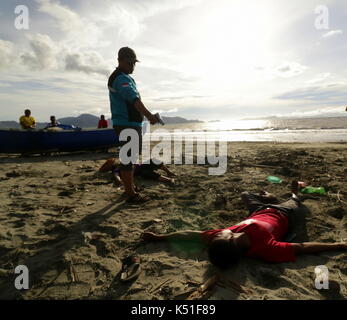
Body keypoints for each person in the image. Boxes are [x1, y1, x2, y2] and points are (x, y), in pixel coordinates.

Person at [142, 181, 347, 269]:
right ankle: (295, 191)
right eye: (225, 234)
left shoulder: (220, 237)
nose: (222, 231)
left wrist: (160, 238)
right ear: (232, 241)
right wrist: (338, 246)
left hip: (257, 211)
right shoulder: (265, 248)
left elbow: (189, 234)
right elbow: (302, 248)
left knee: (245, 194)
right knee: (295, 201)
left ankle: (268, 196)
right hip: (284, 214)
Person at [108, 47, 158, 203]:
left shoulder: (122, 77)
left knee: (129, 157)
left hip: (129, 123)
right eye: (129, 62)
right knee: (128, 158)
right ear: (119, 61)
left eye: (134, 63)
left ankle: (129, 188)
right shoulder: (120, 78)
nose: (132, 66)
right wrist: (149, 116)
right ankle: (130, 193)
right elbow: (134, 99)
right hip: (126, 124)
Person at [99, 158, 176, 186]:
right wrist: (119, 181)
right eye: (114, 163)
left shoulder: (123, 162)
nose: (116, 162)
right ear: (113, 166)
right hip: (140, 171)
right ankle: (169, 180)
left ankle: (169, 172)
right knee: (146, 172)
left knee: (153, 160)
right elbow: (116, 175)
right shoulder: (117, 169)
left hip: (142, 165)